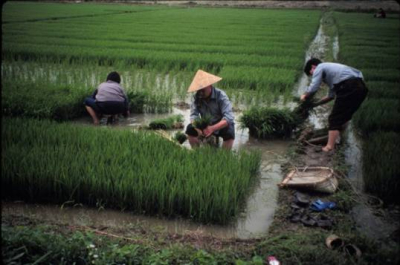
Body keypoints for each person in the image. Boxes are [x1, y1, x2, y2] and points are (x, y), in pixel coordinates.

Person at [300, 58, 368, 152]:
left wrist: (305, 95)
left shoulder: (320, 67)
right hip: (361, 88)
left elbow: (314, 86)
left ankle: (329, 147)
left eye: (311, 73)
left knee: (334, 118)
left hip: (349, 86)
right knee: (344, 116)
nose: (314, 76)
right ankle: (337, 138)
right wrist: (315, 104)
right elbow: (330, 96)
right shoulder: (334, 75)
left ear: (313, 67)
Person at [185, 69, 235, 150]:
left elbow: (229, 117)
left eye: (202, 89)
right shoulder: (197, 98)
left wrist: (212, 128)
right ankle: (196, 152)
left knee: (229, 131)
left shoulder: (221, 96)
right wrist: (198, 128)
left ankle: (225, 157)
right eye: (198, 89)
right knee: (190, 129)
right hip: (206, 125)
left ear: (209, 85)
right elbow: (194, 115)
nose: (200, 92)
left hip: (220, 125)